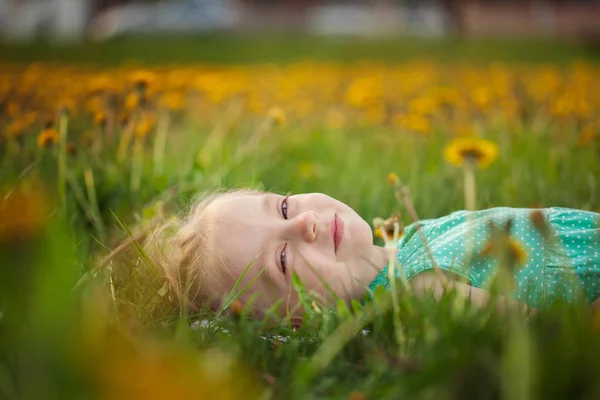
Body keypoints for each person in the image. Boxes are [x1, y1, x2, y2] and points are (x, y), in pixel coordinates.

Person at [145, 189, 600, 319]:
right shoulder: (419, 294)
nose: (303, 222)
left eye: (283, 206)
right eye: (282, 259)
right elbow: (558, 335)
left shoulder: (400, 244)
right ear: (297, 319)